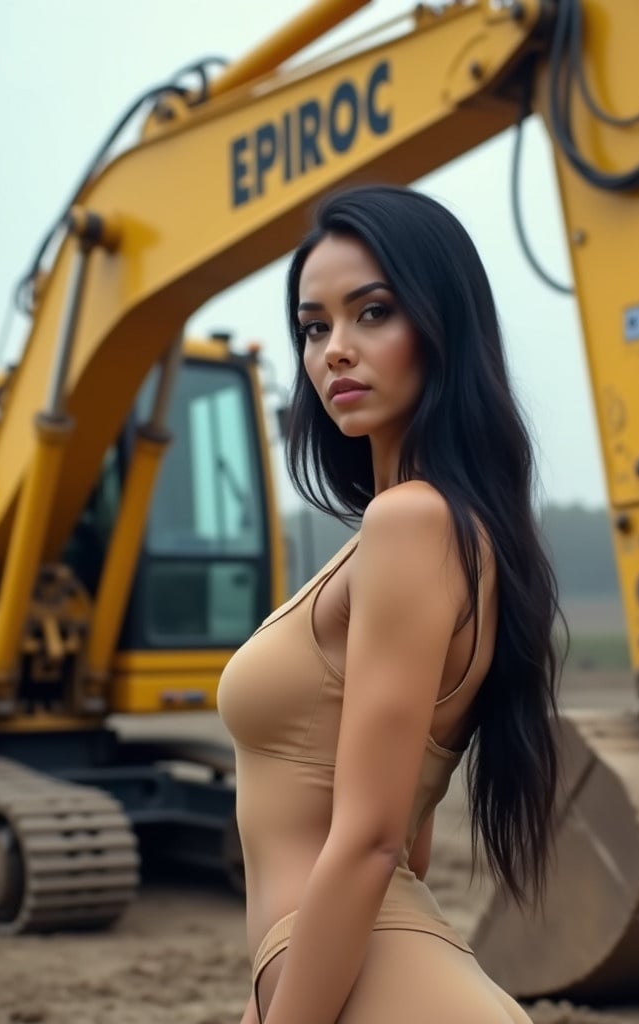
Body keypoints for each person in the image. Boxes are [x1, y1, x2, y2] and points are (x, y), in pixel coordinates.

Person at [217, 184, 562, 1023]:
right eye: (314, 326)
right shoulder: (444, 531)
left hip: (356, 977)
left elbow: (373, 839)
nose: (335, 349)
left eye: (372, 313)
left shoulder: (410, 525)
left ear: (442, 327)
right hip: (361, 974)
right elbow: (409, 832)